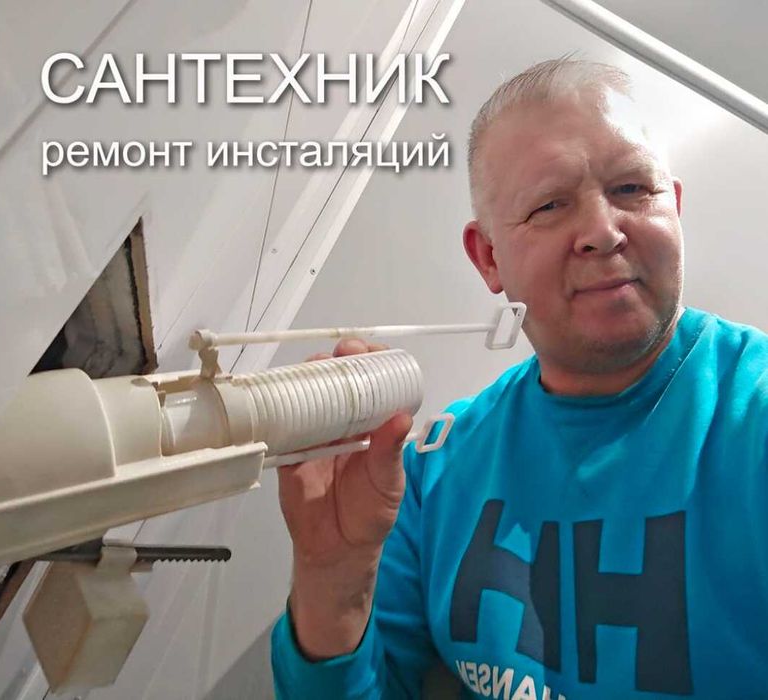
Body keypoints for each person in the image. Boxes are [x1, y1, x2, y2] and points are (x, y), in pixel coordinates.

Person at [270, 57, 768, 699]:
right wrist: (330, 573)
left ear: (673, 206)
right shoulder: (431, 472)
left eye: (632, 188)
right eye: (550, 205)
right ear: (488, 257)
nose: (602, 232)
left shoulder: (752, 417)